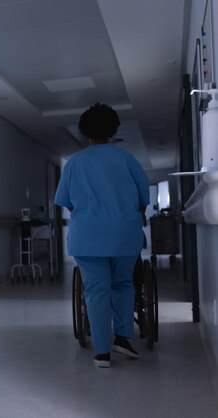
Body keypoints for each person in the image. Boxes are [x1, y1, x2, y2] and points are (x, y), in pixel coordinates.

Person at [54, 103, 150, 368]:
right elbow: (144, 199)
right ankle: (123, 337)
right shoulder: (126, 159)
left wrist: (89, 212)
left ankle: (102, 353)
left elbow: (65, 201)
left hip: (88, 238)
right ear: (114, 129)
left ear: (85, 132)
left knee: (96, 291)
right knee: (123, 284)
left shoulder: (75, 163)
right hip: (124, 236)